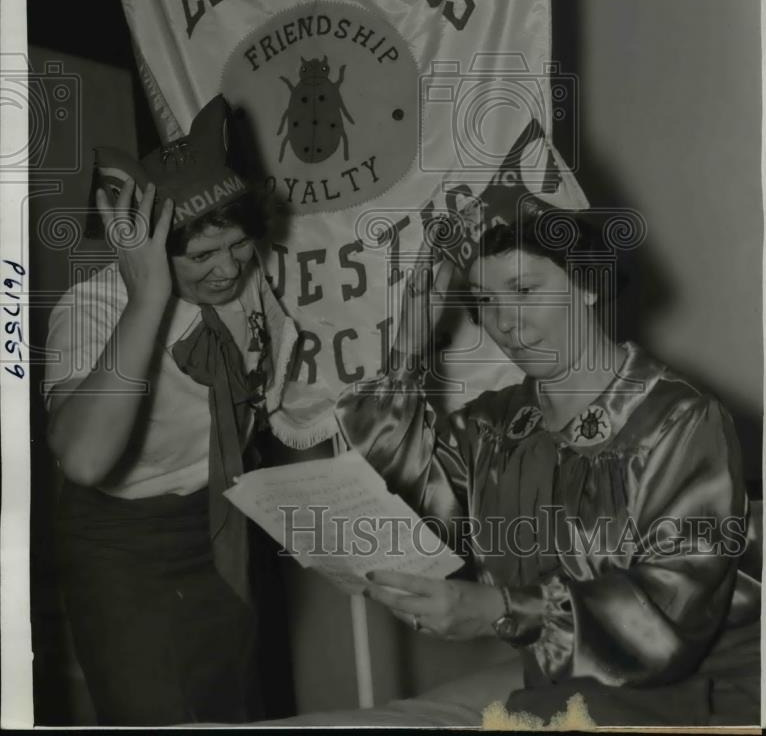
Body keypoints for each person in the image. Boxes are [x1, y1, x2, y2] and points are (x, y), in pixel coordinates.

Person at [264, 125, 761, 728]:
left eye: (524, 290)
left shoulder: (679, 421)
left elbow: (667, 616)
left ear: (585, 283)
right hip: (565, 700)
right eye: (485, 301)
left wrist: (504, 610)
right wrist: (410, 337)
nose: (507, 323)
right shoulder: (497, 426)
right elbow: (413, 509)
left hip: (708, 697)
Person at [44, 96, 298, 725]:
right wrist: (147, 298)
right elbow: (82, 457)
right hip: (124, 547)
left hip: (220, 520)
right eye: (202, 256)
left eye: (238, 246)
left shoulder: (252, 278)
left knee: (233, 704)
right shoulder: (90, 309)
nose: (228, 270)